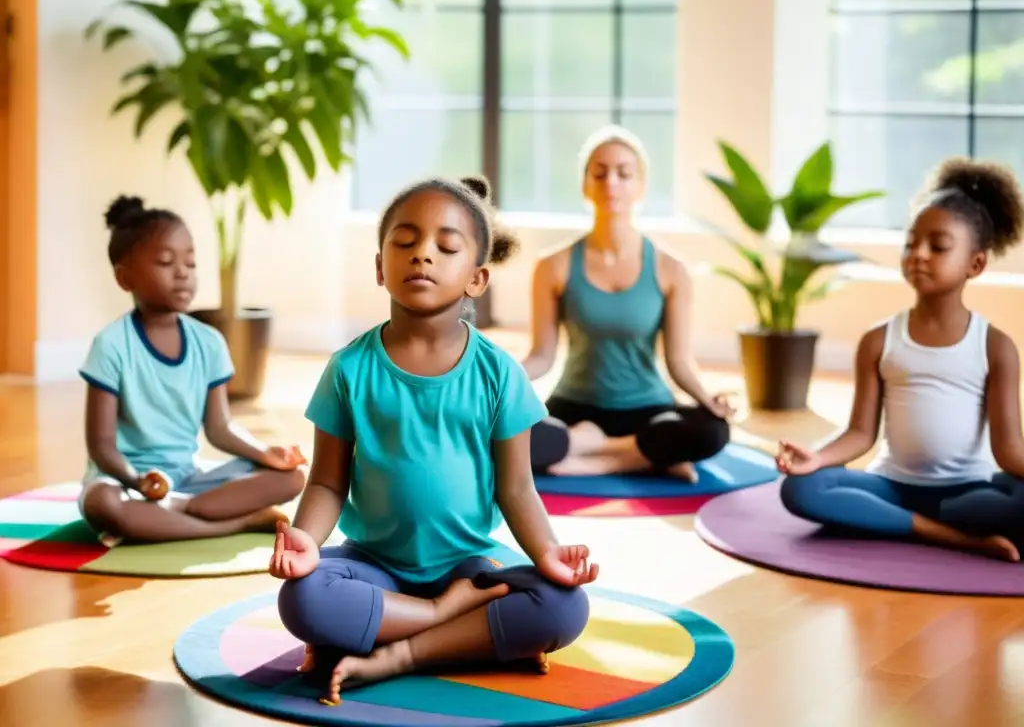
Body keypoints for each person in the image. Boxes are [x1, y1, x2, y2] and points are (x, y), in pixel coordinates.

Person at [270, 175, 596, 705]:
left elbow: (517, 490)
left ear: (477, 278)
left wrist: (549, 553)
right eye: (404, 243)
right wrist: (307, 541)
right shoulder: (349, 369)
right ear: (380, 267)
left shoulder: (499, 374)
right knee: (302, 598)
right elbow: (328, 482)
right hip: (374, 565)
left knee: (564, 606)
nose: (423, 255)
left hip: (468, 565)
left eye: (446, 247)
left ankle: (401, 652)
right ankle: (447, 625)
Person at [777, 157, 1024, 562]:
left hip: (967, 494)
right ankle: (947, 538)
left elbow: (1010, 451)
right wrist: (817, 457)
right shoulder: (879, 340)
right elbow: (860, 433)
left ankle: (889, 523)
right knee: (801, 489)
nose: (919, 254)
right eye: (911, 243)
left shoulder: (996, 346)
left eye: (938, 246)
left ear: (975, 264)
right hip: (892, 486)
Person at [78, 196, 307, 547]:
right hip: (127, 483)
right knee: (101, 504)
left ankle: (173, 514)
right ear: (125, 278)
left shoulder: (209, 342)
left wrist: (264, 453)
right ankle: (234, 522)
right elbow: (102, 446)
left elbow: (220, 428)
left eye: (191, 262)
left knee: (291, 478)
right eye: (166, 262)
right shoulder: (110, 345)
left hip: (188, 479)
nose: (183, 272)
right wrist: (138, 480)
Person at [523, 125, 733, 481]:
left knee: (713, 431)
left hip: (648, 410)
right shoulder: (552, 266)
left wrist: (708, 397)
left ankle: (597, 453)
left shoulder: (671, 270)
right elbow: (542, 355)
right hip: (574, 407)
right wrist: (497, 383)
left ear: (641, 186)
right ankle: (648, 456)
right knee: (510, 436)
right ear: (585, 184)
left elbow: (679, 361)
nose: (611, 183)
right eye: (600, 173)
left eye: (624, 173)